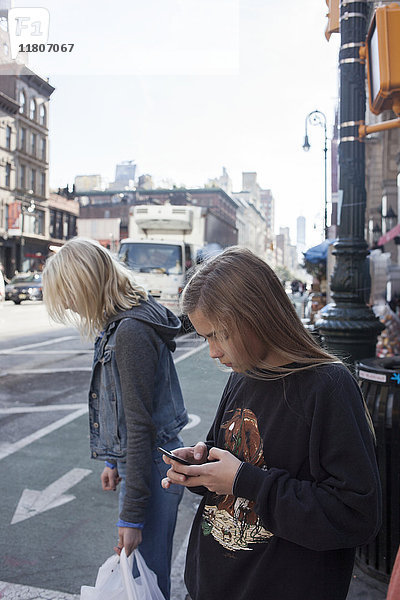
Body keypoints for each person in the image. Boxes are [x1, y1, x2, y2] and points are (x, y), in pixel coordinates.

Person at [161, 246, 382, 600]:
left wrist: (245, 481)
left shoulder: (328, 386)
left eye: (219, 334)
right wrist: (201, 471)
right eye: (206, 338)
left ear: (256, 317)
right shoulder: (242, 374)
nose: (213, 351)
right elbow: (230, 471)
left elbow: (355, 515)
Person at [42, 237, 188, 600]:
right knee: (142, 578)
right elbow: (124, 408)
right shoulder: (120, 324)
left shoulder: (131, 332)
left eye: (68, 295)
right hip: (147, 464)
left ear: (86, 284)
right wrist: (113, 459)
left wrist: (132, 515)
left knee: (146, 582)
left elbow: (141, 425)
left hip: (154, 468)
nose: (70, 306)